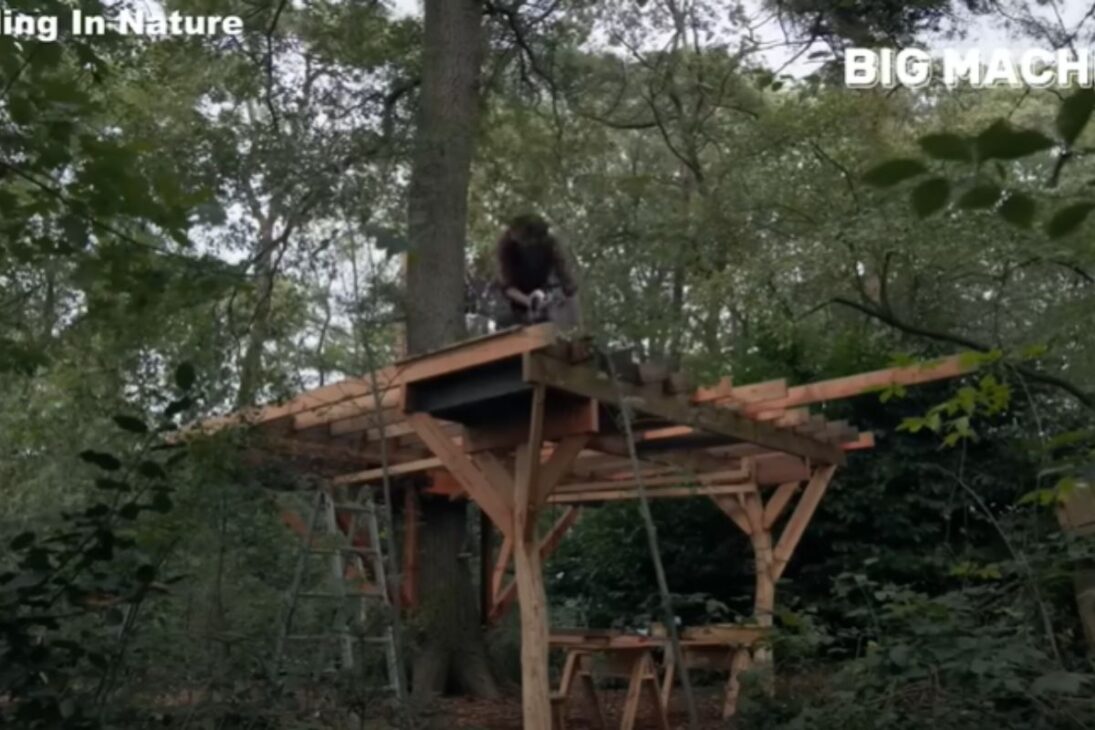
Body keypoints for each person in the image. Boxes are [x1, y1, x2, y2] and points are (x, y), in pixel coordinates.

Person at [493, 213, 581, 329]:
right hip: (512, 298)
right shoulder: (505, 247)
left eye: (534, 242)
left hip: (540, 290)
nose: (530, 246)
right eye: (526, 243)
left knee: (551, 319)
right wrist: (528, 301)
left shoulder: (550, 244)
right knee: (509, 321)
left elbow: (566, 279)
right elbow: (507, 286)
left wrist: (567, 297)